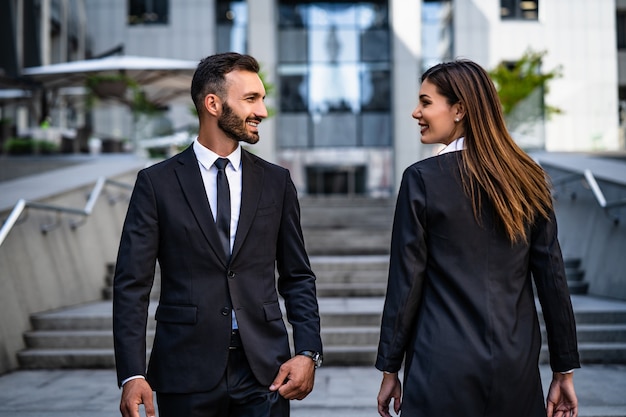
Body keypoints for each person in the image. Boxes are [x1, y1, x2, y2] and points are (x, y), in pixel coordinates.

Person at [113, 52, 323, 417]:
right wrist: (132, 374)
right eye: (251, 99)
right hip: (185, 369)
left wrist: (307, 352)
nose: (263, 111)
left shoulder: (277, 182)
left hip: (265, 372)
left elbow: (298, 276)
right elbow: (132, 285)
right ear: (213, 103)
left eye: (262, 99)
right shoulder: (156, 183)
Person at [375, 60, 580, 417]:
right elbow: (553, 280)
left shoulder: (422, 179)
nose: (415, 112)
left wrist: (389, 367)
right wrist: (564, 369)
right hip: (515, 368)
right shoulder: (528, 178)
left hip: (440, 367)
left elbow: (406, 283)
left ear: (459, 109)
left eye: (425, 102)